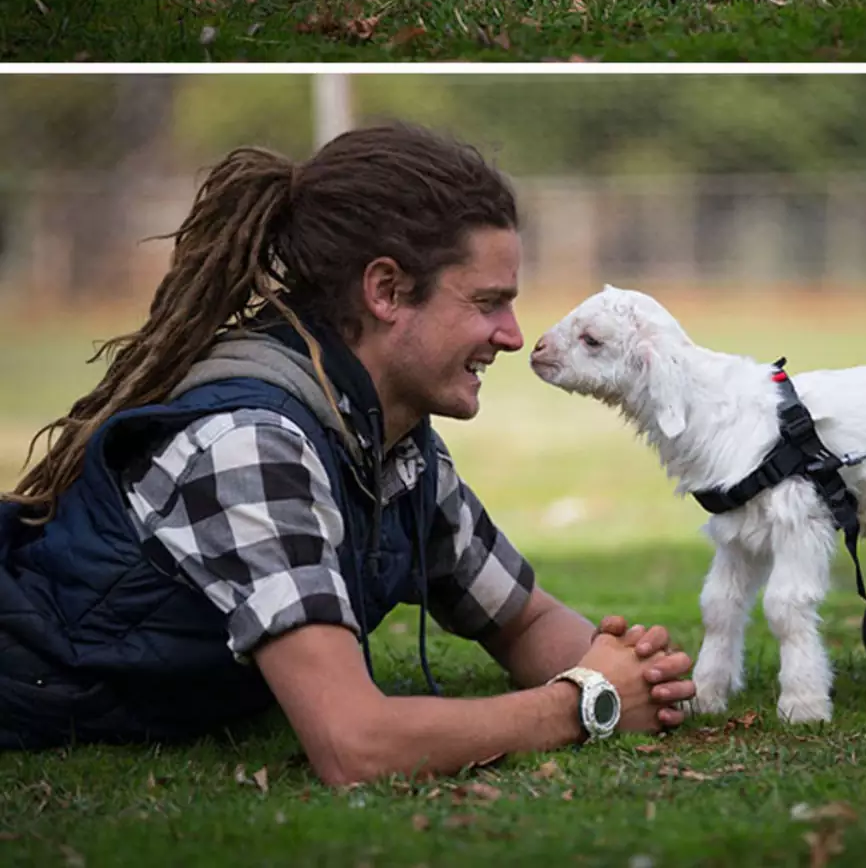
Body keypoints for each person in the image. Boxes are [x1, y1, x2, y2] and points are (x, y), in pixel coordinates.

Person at [0, 123, 694, 781]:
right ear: (386, 290)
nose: (513, 335)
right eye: (488, 302)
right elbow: (353, 745)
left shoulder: (390, 443)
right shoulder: (252, 445)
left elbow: (524, 619)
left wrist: (631, 671)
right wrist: (581, 704)